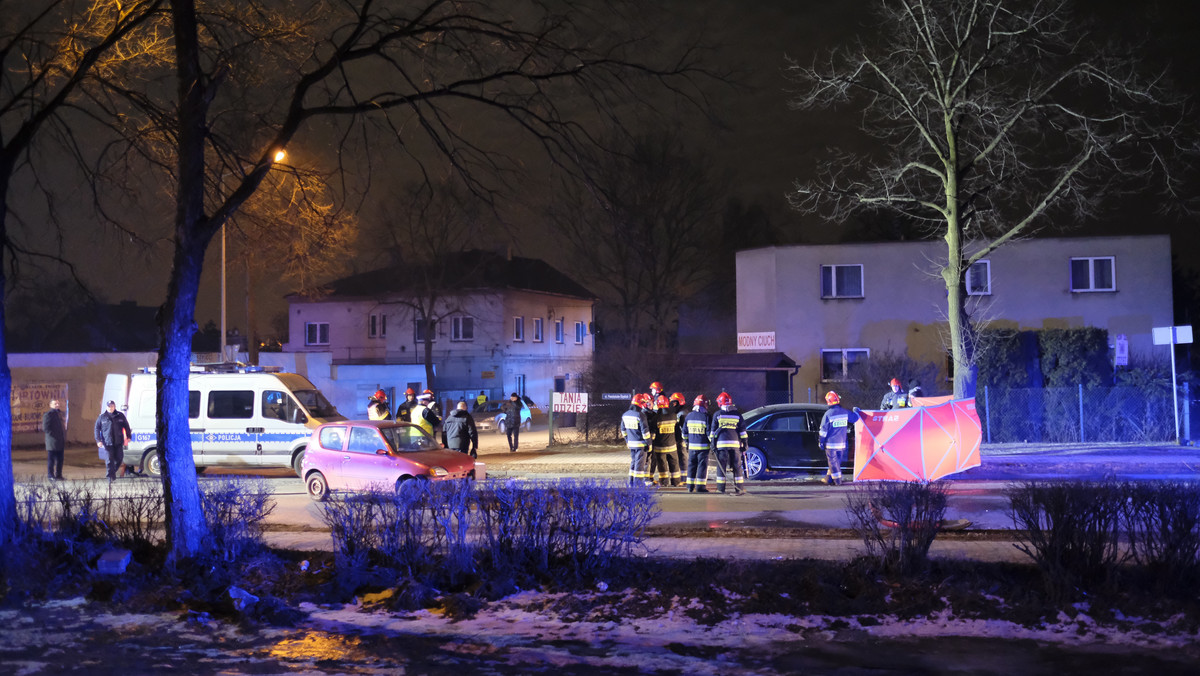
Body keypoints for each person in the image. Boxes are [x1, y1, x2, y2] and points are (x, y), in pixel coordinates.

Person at [709, 391, 747, 495]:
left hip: (721, 445)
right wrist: (745, 443)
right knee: (737, 467)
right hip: (735, 445)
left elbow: (713, 432)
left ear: (720, 403)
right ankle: (739, 489)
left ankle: (721, 489)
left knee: (721, 467)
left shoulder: (717, 414)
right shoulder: (737, 414)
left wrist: (712, 443)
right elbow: (742, 430)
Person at [818, 391, 859, 486]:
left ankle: (838, 481)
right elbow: (855, 418)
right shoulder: (845, 412)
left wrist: (821, 442)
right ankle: (828, 479)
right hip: (842, 444)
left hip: (831, 445)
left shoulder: (828, 414)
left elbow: (823, 431)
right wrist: (857, 411)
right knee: (836, 463)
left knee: (833, 462)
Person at [94, 400, 131, 484]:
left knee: (119, 459)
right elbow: (96, 429)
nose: (110, 408)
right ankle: (110, 477)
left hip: (118, 442)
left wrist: (128, 436)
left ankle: (112, 473)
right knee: (109, 460)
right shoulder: (102, 417)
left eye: (112, 406)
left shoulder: (120, 415)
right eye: (109, 406)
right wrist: (98, 440)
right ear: (106, 407)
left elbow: (126, 426)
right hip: (107, 442)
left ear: (114, 406)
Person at [649, 395, 682, 486]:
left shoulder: (656, 419)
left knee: (662, 465)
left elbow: (653, 435)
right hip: (672, 446)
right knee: (674, 464)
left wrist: (651, 443)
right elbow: (678, 431)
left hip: (660, 448)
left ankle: (664, 483)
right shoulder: (673, 416)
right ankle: (676, 482)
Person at [622, 393, 653, 486]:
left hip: (631, 444)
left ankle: (631, 481)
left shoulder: (625, 415)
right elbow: (645, 432)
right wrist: (649, 444)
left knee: (633, 463)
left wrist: (627, 440)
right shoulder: (640, 415)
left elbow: (623, 430)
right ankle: (638, 484)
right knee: (639, 464)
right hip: (641, 445)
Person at [683, 395, 712, 493]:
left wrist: (687, 442)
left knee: (691, 466)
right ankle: (700, 487)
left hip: (691, 447)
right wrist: (712, 443)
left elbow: (684, 433)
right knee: (702, 466)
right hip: (703, 447)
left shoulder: (689, 416)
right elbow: (709, 433)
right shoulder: (706, 417)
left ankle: (690, 487)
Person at [43, 399, 67, 481]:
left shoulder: (59, 413)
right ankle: (50, 475)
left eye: (58, 403)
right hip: (52, 442)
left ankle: (59, 475)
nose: (57, 405)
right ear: (50, 405)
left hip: (60, 441)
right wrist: (53, 436)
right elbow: (46, 428)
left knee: (60, 460)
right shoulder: (48, 414)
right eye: (55, 403)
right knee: (51, 460)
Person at [670, 392, 688, 477]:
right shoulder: (680, 412)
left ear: (679, 402)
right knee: (680, 457)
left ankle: (684, 477)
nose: (673, 404)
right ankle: (683, 475)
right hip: (679, 438)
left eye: (674, 402)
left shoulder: (682, 413)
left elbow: (683, 428)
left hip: (681, 439)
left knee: (682, 457)